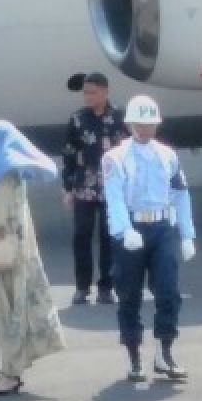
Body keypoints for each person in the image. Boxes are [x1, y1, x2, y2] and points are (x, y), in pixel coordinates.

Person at [0, 120, 66, 396]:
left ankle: (10, 373)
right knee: (19, 309)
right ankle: (12, 369)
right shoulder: (12, 168)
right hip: (19, 251)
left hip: (2, 256)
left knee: (5, 311)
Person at [102, 95, 195, 383]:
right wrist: (123, 230)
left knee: (169, 291)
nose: (145, 129)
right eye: (140, 124)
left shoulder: (167, 155)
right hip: (131, 228)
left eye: (151, 124)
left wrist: (187, 234)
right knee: (129, 294)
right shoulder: (115, 158)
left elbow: (180, 193)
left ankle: (164, 352)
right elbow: (114, 197)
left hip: (161, 227)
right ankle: (134, 356)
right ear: (130, 124)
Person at [62, 72, 125, 306]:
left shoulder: (120, 117)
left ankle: (107, 287)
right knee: (81, 236)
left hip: (113, 187)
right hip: (84, 187)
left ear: (105, 92)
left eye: (92, 92)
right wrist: (67, 187)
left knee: (109, 237)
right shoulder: (78, 119)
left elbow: (129, 153)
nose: (87, 97)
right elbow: (68, 153)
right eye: (85, 93)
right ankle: (81, 287)